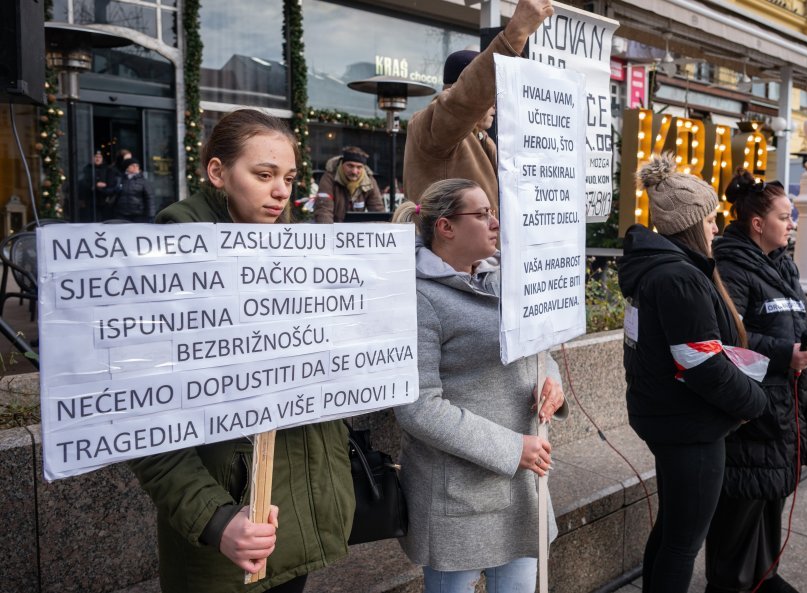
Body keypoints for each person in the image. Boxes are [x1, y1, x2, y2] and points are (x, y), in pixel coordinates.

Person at [131, 109, 355, 593]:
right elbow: (143, 421)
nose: (281, 191)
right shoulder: (171, 262)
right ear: (217, 172)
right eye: (264, 174)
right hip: (224, 536)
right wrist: (215, 518)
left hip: (294, 520)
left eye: (290, 178)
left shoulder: (297, 255)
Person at [390, 178, 568, 593]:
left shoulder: (507, 280)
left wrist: (551, 383)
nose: (495, 222)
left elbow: (539, 353)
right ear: (445, 227)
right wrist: (511, 449)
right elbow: (418, 407)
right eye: (482, 213)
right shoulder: (417, 299)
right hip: (458, 496)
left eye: (492, 211)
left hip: (522, 486)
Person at [618, 154, 768, 593]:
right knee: (683, 543)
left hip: (669, 417)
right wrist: (754, 402)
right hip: (689, 426)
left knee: (672, 530)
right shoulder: (678, 278)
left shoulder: (659, 269)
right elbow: (701, 364)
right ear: (690, 222)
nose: (716, 229)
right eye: (710, 220)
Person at [706, 170, 807, 593]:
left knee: (772, 493)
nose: (793, 223)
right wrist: (785, 354)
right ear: (757, 224)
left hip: (788, 402)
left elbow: (792, 320)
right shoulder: (730, 265)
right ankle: (730, 583)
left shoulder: (783, 263)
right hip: (754, 404)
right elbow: (730, 333)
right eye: (786, 216)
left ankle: (763, 574)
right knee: (744, 500)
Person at [402, 0, 553, 209]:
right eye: (490, 97)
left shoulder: (482, 140)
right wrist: (516, 33)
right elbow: (465, 100)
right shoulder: (431, 129)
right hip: (449, 242)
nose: (495, 106)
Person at [313, 146, 384, 222]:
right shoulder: (329, 178)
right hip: (334, 227)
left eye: (359, 167)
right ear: (342, 164)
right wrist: (328, 232)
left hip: (358, 230)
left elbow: (377, 211)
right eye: (350, 166)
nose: (354, 171)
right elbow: (324, 209)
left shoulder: (369, 182)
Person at [78, 150, 111, 222]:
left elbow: (111, 182)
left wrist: (106, 188)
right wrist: (95, 184)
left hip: (104, 200)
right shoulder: (87, 169)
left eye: (100, 157)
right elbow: (83, 183)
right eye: (96, 157)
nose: (98, 159)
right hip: (90, 200)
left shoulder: (107, 169)